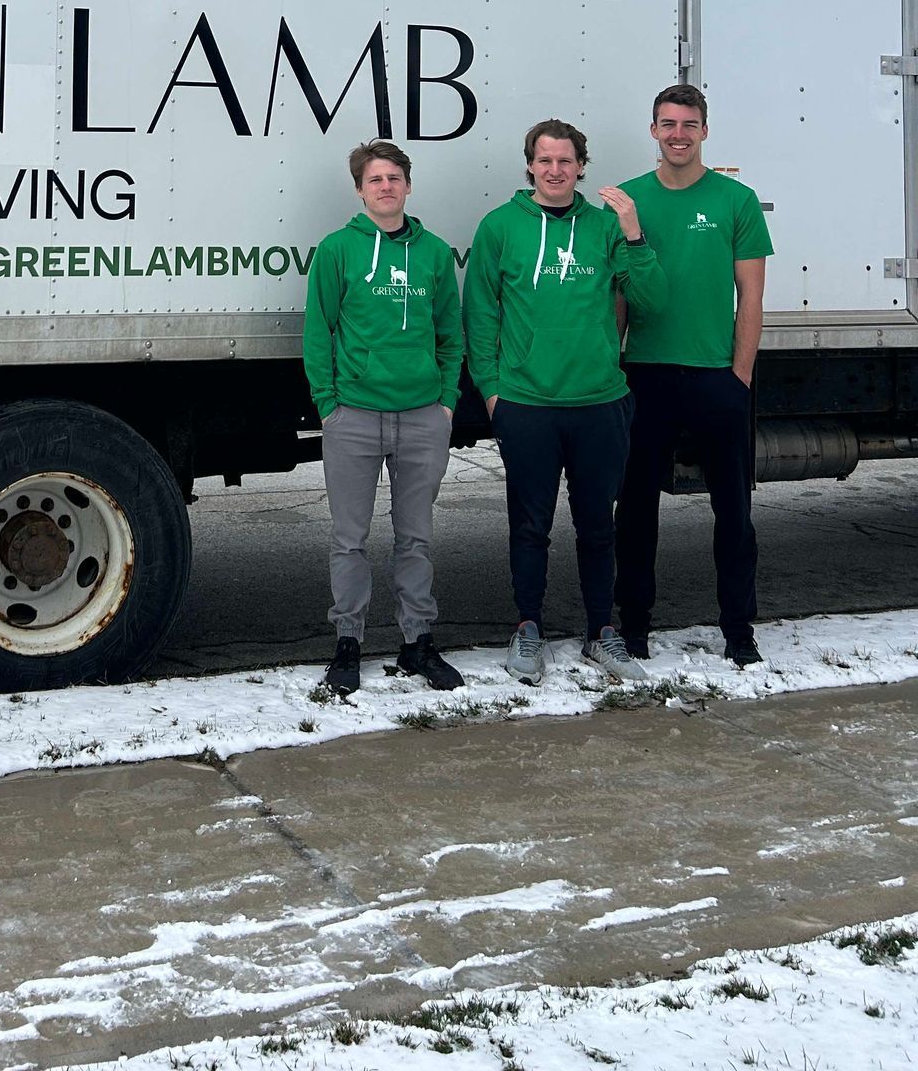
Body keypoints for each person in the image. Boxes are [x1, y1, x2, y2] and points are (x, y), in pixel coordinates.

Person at [463, 119, 667, 686]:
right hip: (527, 404)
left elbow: (650, 302)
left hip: (600, 402)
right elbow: (481, 314)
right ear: (529, 164)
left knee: (598, 527)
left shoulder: (604, 228)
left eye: (566, 161)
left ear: (582, 166)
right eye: (545, 160)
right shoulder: (501, 227)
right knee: (530, 526)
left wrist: (632, 231)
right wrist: (493, 391)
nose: (555, 170)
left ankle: (603, 632)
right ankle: (528, 627)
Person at [614, 84, 773, 669]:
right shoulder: (627, 202)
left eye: (689, 124)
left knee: (733, 512)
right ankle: (633, 627)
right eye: (667, 124)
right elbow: (620, 299)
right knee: (634, 511)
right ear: (653, 130)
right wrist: (615, 365)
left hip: (716, 378)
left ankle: (739, 630)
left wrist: (739, 377)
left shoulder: (736, 199)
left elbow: (751, 298)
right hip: (645, 377)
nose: (678, 134)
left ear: (704, 130)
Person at [303, 138, 465, 695]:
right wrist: (329, 404)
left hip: (422, 415)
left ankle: (417, 642)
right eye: (375, 179)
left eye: (394, 178)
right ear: (360, 189)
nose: (386, 187)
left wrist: (446, 401)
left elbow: (451, 333)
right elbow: (317, 332)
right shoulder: (337, 250)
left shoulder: (436, 252)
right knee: (349, 538)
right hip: (355, 415)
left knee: (414, 537)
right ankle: (348, 641)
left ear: (408, 185)